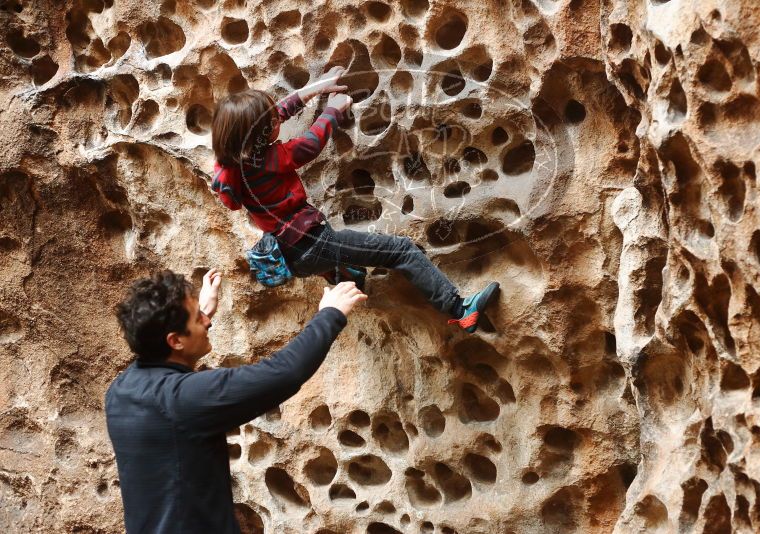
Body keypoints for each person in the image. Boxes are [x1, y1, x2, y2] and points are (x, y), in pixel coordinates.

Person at [210, 67, 499, 333]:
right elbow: (310, 144)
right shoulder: (272, 159)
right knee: (400, 251)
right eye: (272, 122)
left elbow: (270, 118)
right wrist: (332, 111)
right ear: (261, 135)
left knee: (344, 258)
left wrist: (313, 89)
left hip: (290, 253)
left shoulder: (231, 166)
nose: (277, 120)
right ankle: (461, 310)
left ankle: (347, 276)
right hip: (313, 243)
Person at [105, 268, 366, 533]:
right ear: (175, 340)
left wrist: (200, 311)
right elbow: (284, 373)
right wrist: (331, 313)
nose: (207, 322)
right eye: (198, 320)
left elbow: (168, 362)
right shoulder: (182, 400)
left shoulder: (120, 391)